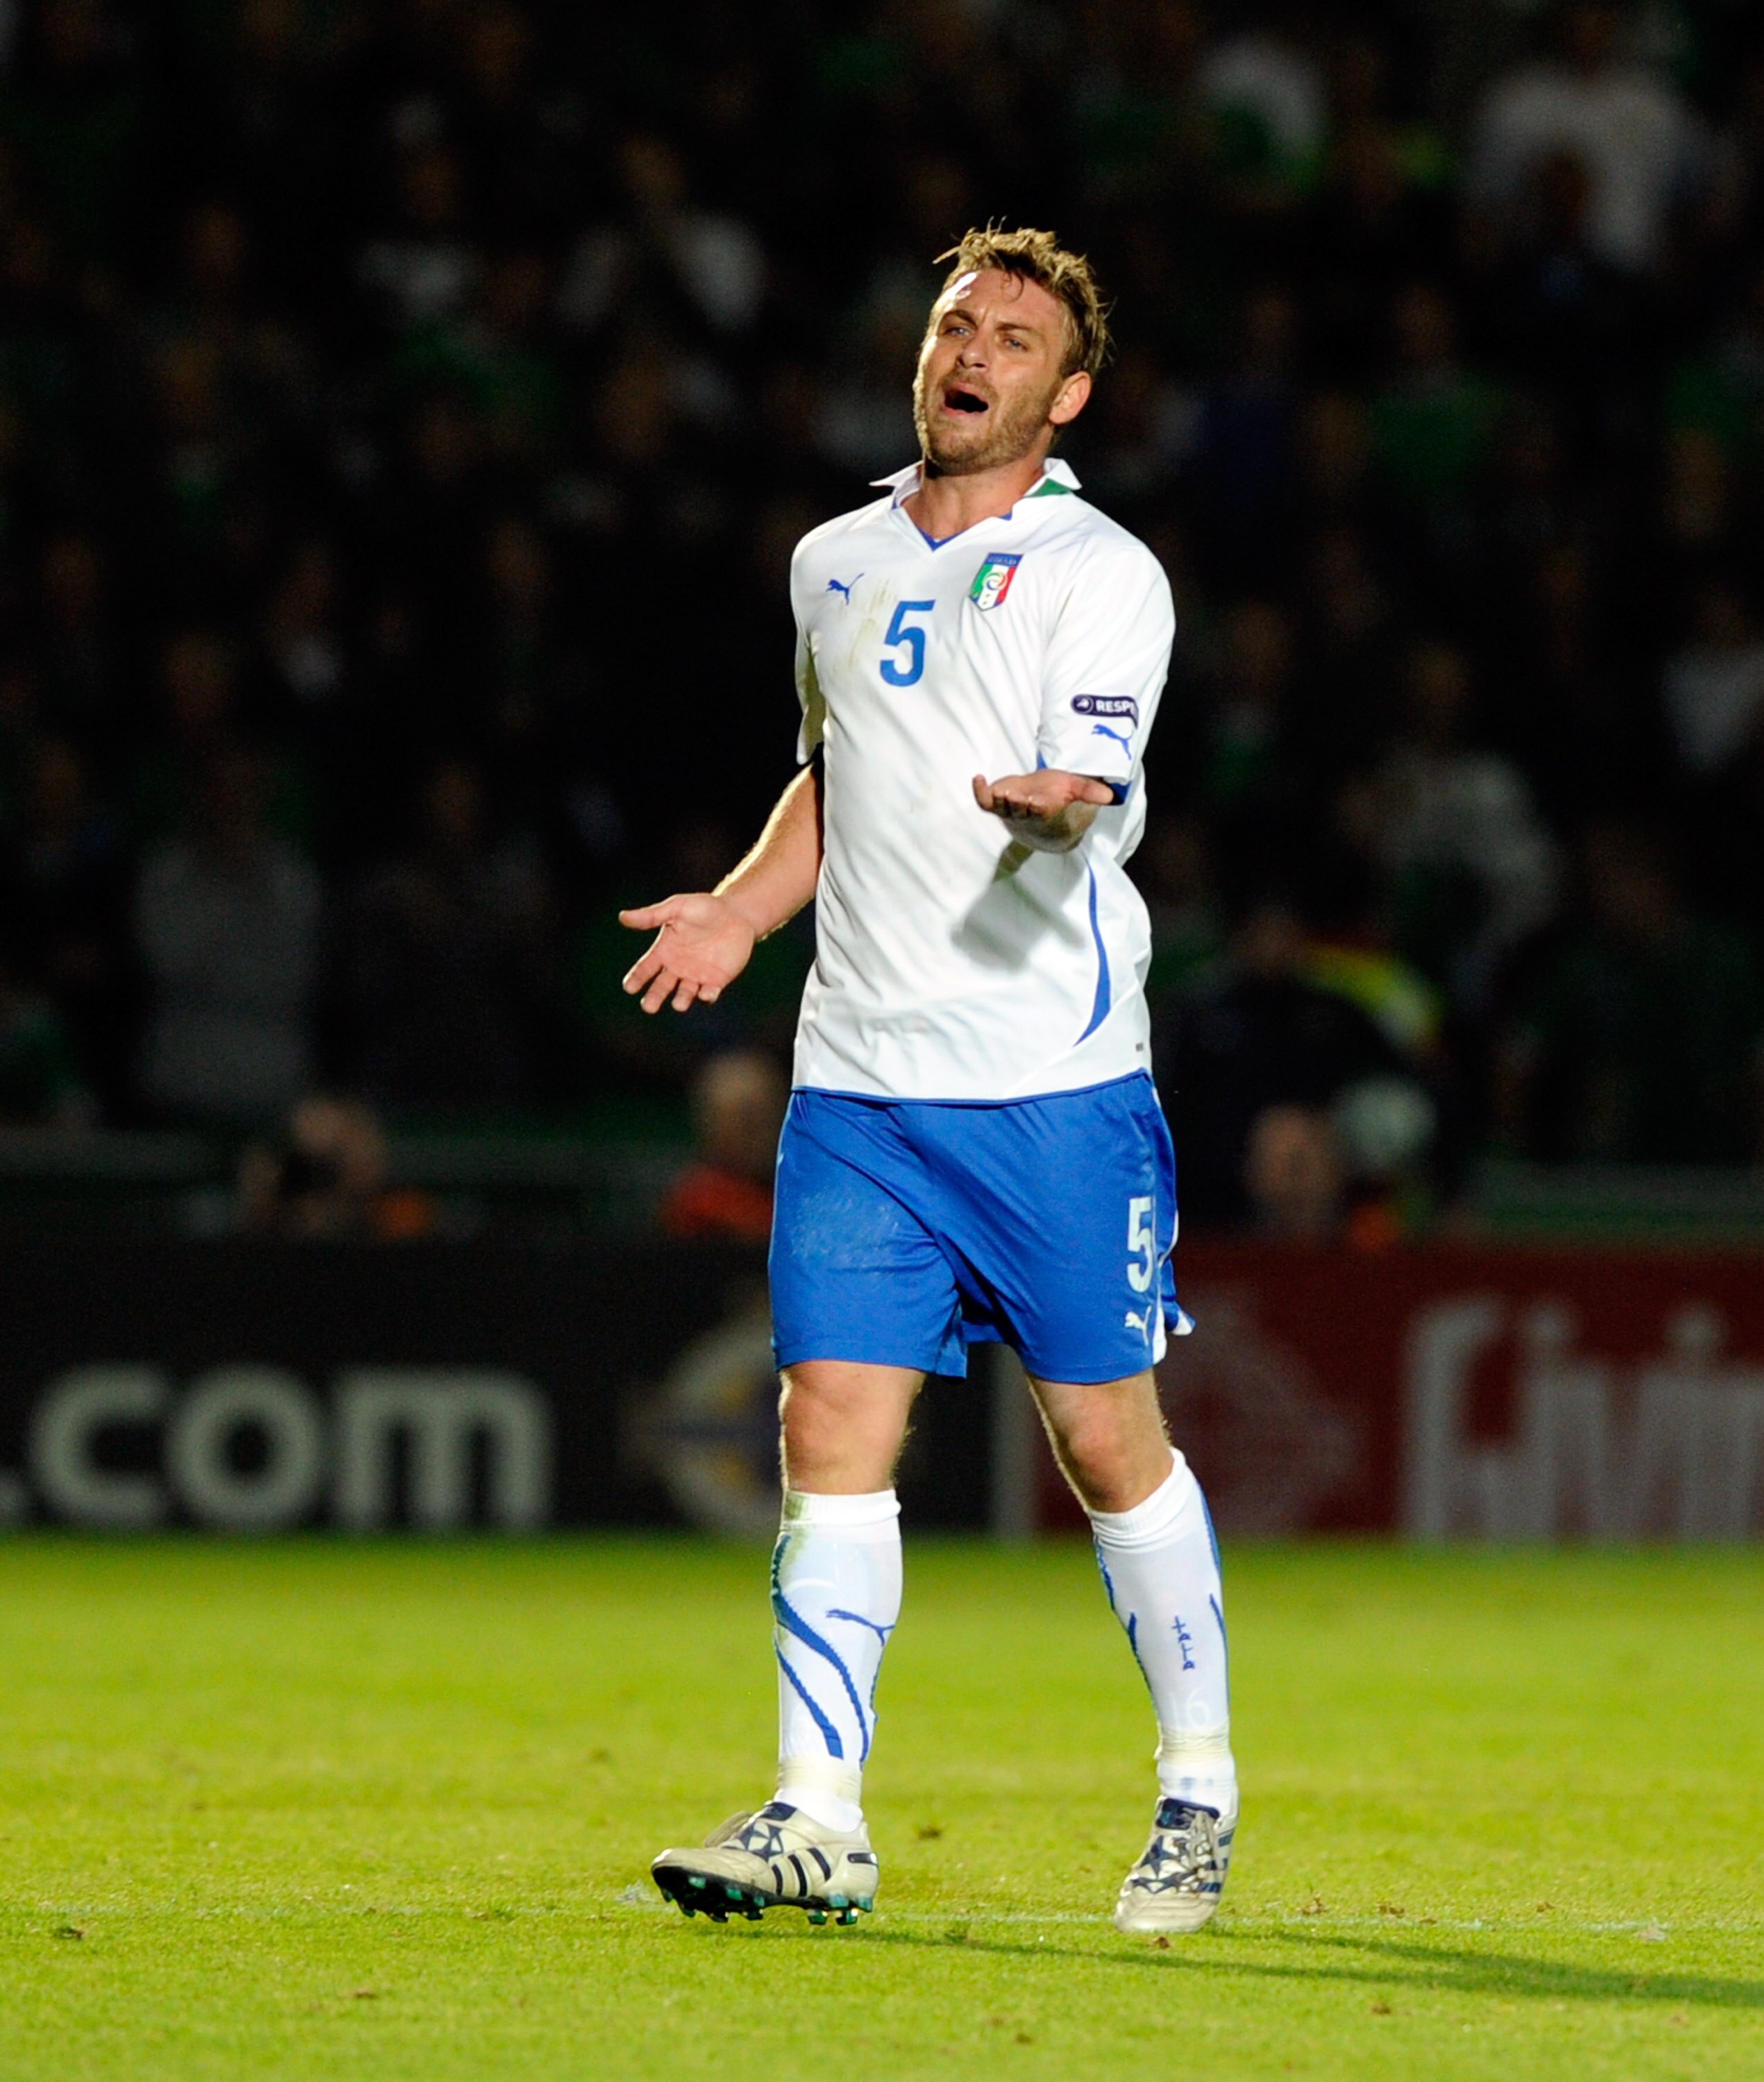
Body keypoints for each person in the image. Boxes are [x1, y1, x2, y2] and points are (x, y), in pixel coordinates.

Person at [621, 228, 1233, 1936]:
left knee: (1107, 1451)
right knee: (827, 1428)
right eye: (954, 322)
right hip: (859, 1091)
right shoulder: (830, 557)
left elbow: (1093, 771)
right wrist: (742, 911)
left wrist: (1063, 801)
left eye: (1013, 336)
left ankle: (1196, 1787)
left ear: (1065, 393)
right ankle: (817, 1815)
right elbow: (829, 774)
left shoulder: (1099, 569)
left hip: (1049, 1087)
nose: (971, 348)